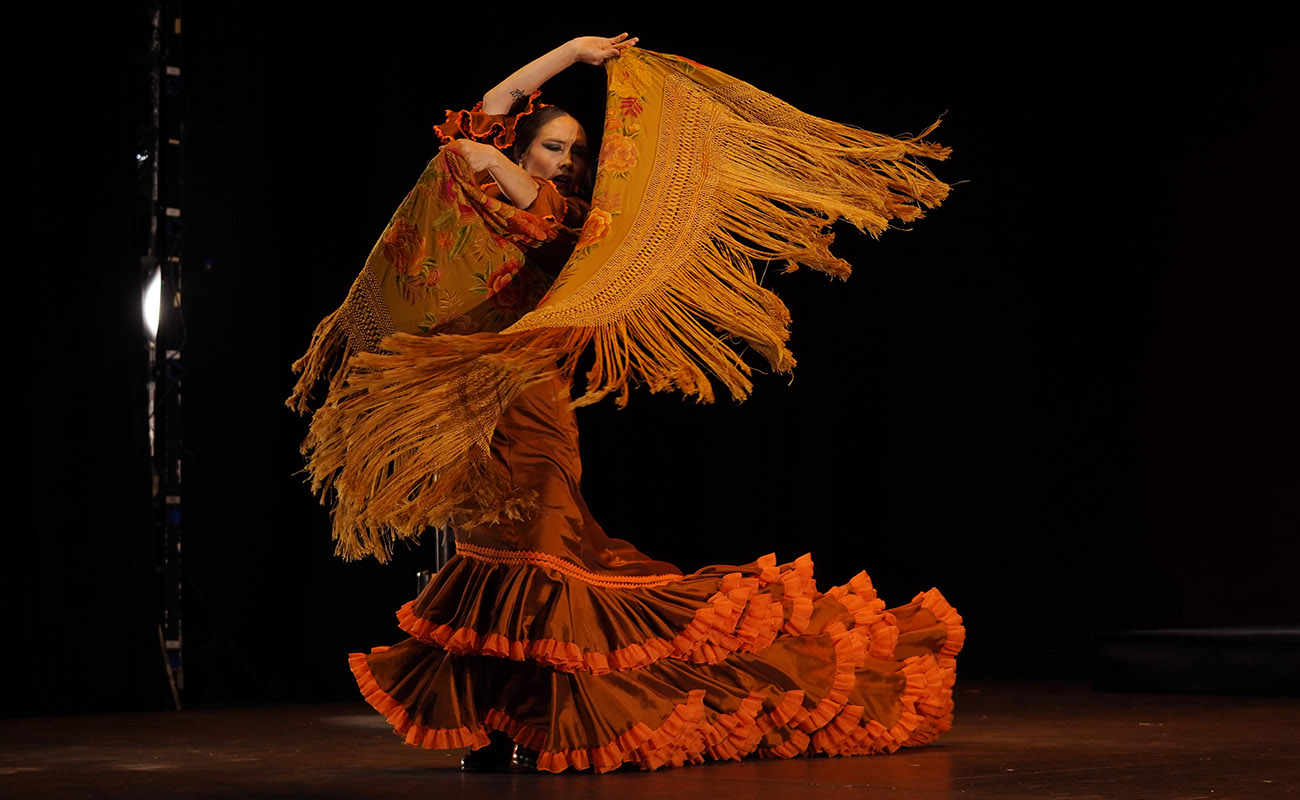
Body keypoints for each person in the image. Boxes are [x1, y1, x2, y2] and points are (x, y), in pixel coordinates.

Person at [291, 34, 962, 774]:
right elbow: (492, 110)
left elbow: (532, 204)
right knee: (490, 556)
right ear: (526, 142)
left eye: (577, 152)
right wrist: (574, 52)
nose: (569, 161)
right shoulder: (479, 179)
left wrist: (498, 167)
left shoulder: (581, 224)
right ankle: (501, 717)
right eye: (553, 146)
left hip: (534, 406)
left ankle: (572, 713)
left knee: (548, 552)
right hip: (472, 404)